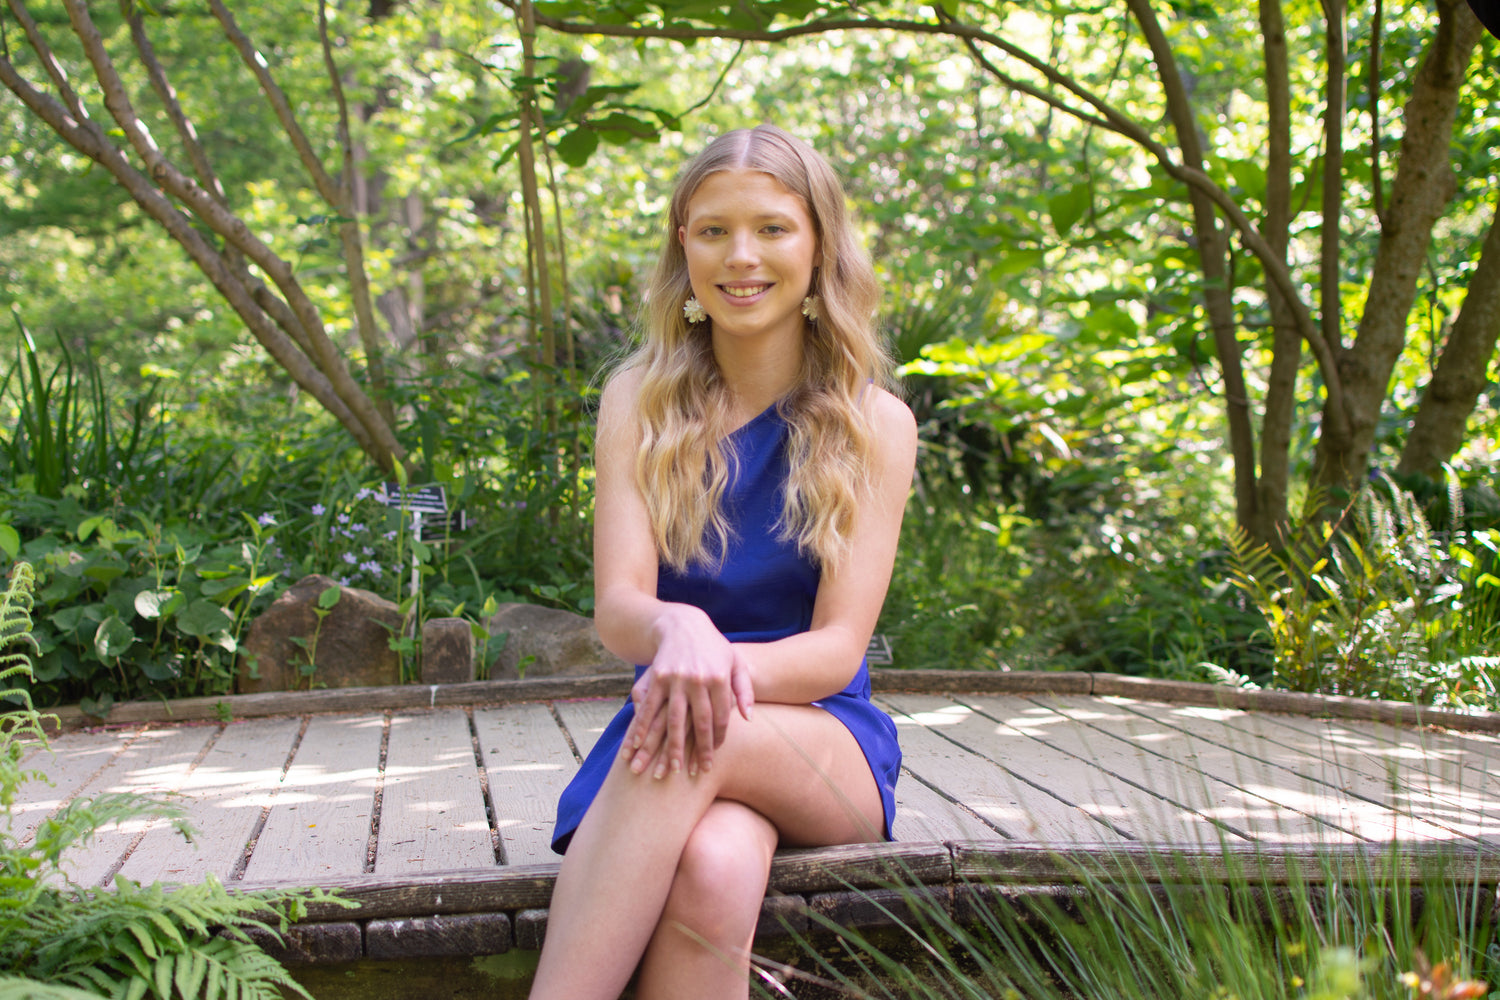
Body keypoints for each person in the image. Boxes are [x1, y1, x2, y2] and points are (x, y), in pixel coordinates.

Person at [528, 124, 918, 1000]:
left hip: (824, 742)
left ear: (819, 244)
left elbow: (835, 649)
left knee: (708, 726)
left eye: (773, 228)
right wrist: (680, 627)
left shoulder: (874, 423)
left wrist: (705, 669)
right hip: (674, 727)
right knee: (715, 865)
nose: (741, 255)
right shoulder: (639, 399)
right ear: (684, 247)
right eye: (713, 230)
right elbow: (619, 606)